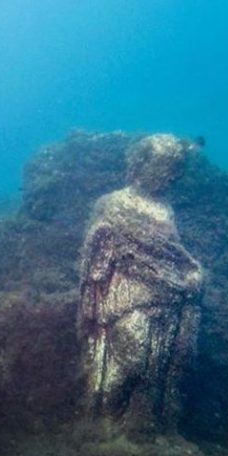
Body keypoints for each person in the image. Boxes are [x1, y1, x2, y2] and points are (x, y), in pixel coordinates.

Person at [77, 134, 203, 434]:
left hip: (168, 297)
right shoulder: (112, 203)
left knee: (154, 366)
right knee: (129, 360)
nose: (168, 175)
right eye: (162, 166)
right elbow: (97, 249)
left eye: (173, 169)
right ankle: (103, 426)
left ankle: (141, 429)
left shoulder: (165, 210)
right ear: (140, 164)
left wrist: (192, 273)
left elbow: (172, 252)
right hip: (126, 295)